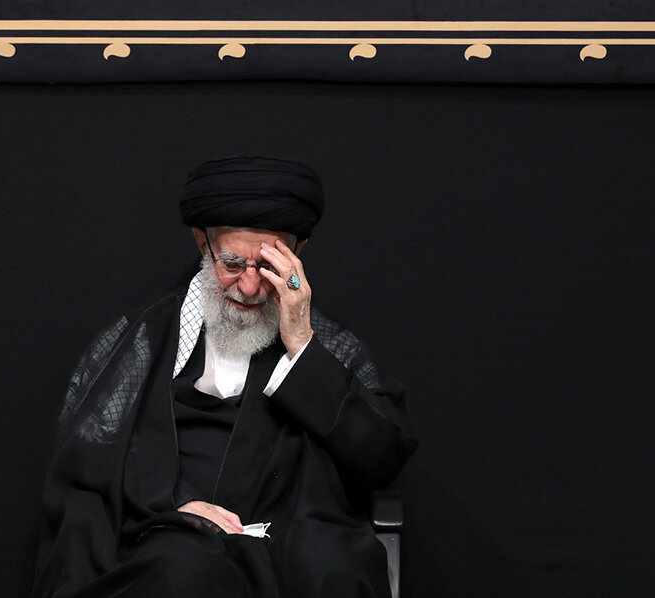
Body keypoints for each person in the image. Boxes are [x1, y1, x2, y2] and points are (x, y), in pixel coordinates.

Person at [32, 156, 417, 598]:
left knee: (329, 568)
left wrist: (302, 346)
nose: (249, 287)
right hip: (169, 533)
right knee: (183, 573)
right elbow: (83, 466)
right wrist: (170, 505)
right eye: (232, 263)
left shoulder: (332, 344)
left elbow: (382, 458)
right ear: (203, 243)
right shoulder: (141, 339)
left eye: (268, 267)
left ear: (298, 253)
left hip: (293, 532)